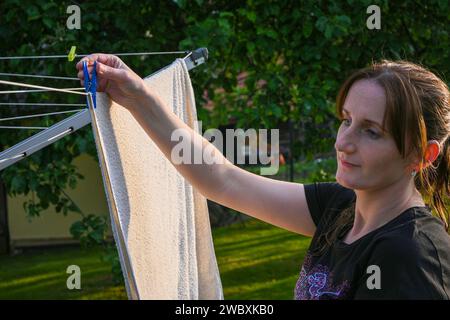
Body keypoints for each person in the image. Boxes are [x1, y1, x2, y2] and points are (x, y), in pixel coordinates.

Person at [76, 56, 450, 300]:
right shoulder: (339, 208)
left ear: (422, 155)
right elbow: (222, 180)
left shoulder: (411, 255)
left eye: (371, 131)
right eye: (346, 120)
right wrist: (138, 96)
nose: (344, 142)